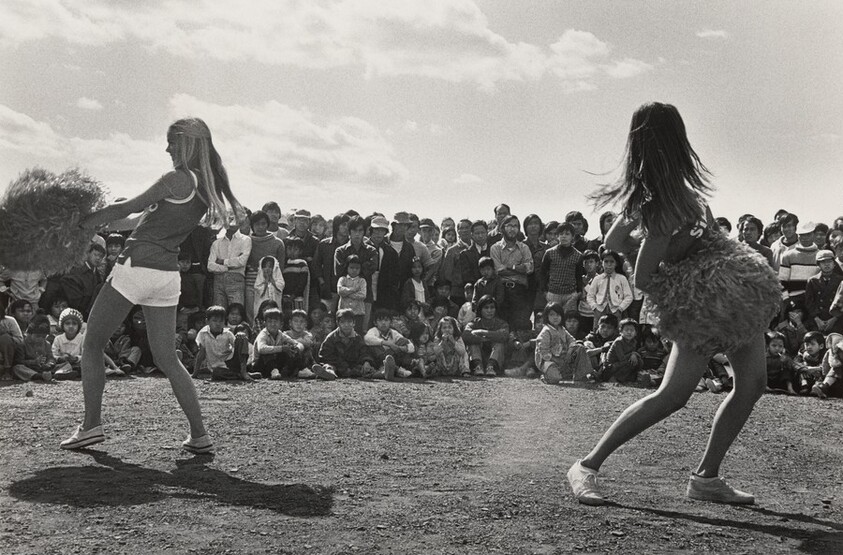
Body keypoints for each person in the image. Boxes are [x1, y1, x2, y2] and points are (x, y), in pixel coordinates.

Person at [567, 102, 781, 506]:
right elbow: (644, 277)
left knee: (752, 384)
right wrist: (690, 282)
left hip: (732, 298)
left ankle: (706, 478)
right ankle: (587, 466)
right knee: (673, 395)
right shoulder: (660, 205)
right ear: (671, 143)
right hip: (703, 303)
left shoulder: (675, 194)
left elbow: (613, 241)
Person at [60, 118, 244, 454]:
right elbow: (134, 220)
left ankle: (90, 426)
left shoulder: (176, 178)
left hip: (135, 268)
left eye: (172, 142)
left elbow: (126, 207)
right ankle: (199, 435)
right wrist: (99, 220)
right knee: (167, 358)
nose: (167, 148)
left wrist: (80, 222)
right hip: (166, 277)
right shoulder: (204, 187)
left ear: (186, 143)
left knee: (92, 344)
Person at [490, 214, 534, 333]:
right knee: (502, 325)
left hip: (519, 291)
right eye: (509, 225)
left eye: (515, 226)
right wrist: (519, 268)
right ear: (502, 228)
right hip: (501, 290)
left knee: (519, 326)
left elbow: (529, 268)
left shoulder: (524, 248)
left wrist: (510, 267)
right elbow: (498, 270)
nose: (512, 229)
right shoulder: (495, 248)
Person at [193, 305, 255, 382]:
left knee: (242, 336)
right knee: (216, 372)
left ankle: (243, 372)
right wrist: (195, 373)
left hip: (231, 363)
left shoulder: (228, 333)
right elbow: (201, 353)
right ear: (207, 321)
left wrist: (240, 337)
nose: (218, 324)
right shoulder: (203, 333)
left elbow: (238, 348)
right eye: (214, 321)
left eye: (221, 321)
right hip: (218, 368)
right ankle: (239, 375)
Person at [534, 302, 591, 384]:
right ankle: (546, 376)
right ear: (547, 316)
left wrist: (569, 351)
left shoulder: (562, 329)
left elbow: (572, 340)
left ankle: (580, 376)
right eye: (552, 315)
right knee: (555, 379)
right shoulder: (546, 332)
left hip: (563, 358)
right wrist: (557, 360)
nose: (555, 318)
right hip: (549, 361)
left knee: (579, 348)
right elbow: (544, 352)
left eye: (558, 315)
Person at [245, 210, 286, 324]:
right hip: (251, 283)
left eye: (263, 223)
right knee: (252, 313)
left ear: (267, 224)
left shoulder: (278, 243)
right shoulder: (246, 241)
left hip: (271, 285)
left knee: (271, 313)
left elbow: (280, 268)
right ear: (252, 226)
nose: (260, 227)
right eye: (257, 224)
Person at [207, 216, 251, 308]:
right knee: (218, 311)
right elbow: (210, 266)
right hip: (218, 281)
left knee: (236, 311)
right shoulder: (217, 243)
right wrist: (228, 267)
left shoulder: (246, 240)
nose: (231, 223)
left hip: (236, 280)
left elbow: (242, 261)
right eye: (229, 219)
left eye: (234, 219)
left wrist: (222, 261)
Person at [539, 222, 583, 314]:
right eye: (561, 234)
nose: (564, 236)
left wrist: (578, 293)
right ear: (557, 236)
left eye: (567, 234)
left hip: (570, 295)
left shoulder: (578, 255)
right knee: (554, 319)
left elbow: (578, 276)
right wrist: (545, 292)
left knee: (569, 320)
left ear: (572, 237)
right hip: (553, 294)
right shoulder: (549, 253)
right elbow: (543, 273)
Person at [585, 250, 633, 331]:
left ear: (616, 263)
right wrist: (594, 307)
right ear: (602, 263)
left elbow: (629, 296)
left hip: (615, 310)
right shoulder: (597, 279)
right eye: (606, 262)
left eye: (612, 262)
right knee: (598, 331)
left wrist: (620, 308)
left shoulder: (621, 278)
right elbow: (590, 296)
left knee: (615, 331)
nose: (609, 265)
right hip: (600, 310)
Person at [462, 295, 509, 377]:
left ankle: (491, 367)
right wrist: (483, 339)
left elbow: (504, 335)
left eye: (492, 308)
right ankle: (477, 366)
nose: (489, 311)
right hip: (478, 356)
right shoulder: (474, 323)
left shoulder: (501, 323)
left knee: (499, 343)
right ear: (480, 310)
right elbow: (465, 335)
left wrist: (482, 332)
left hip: (496, 359)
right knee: (473, 343)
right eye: (486, 308)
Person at [11, 315, 55, 382]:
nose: (40, 339)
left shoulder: (47, 344)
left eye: (43, 337)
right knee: (17, 368)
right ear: (30, 333)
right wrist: (34, 362)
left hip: (44, 368)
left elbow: (51, 358)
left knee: (65, 365)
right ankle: (38, 376)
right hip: (30, 368)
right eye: (38, 336)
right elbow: (19, 361)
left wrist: (49, 364)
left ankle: (54, 374)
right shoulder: (22, 345)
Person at [336, 254, 367, 334]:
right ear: (347, 267)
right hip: (343, 312)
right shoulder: (342, 279)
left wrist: (347, 294)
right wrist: (354, 289)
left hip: (358, 313)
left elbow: (362, 295)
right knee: (343, 333)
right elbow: (340, 291)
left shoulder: (362, 281)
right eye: (352, 268)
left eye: (357, 268)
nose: (354, 270)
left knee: (357, 333)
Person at [52, 307, 85, 380]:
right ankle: (64, 372)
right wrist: (60, 358)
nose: (71, 326)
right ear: (62, 325)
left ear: (78, 326)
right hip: (62, 363)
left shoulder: (82, 338)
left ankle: (73, 372)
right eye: (67, 323)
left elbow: (86, 355)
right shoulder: (58, 339)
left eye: (74, 323)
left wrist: (76, 358)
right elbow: (53, 354)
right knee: (53, 365)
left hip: (77, 363)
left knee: (85, 365)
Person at [253, 256, 285, 323]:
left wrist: (273, 282)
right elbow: (258, 290)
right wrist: (265, 283)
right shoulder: (259, 280)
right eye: (265, 266)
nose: (267, 269)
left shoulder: (278, 280)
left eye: (270, 267)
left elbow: (280, 287)